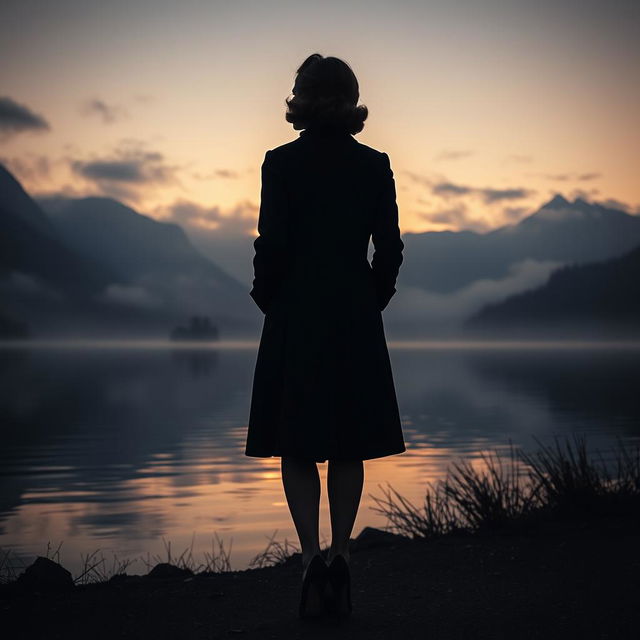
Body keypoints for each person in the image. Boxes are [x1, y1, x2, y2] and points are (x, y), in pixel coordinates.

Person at [245, 53, 406, 619]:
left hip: (296, 315)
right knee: (348, 440)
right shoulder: (375, 164)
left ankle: (310, 558)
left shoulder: (280, 163)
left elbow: (273, 245)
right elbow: (389, 250)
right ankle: (341, 555)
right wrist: (370, 301)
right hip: (354, 317)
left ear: (302, 98)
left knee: (298, 441)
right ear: (351, 98)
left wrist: (272, 301)